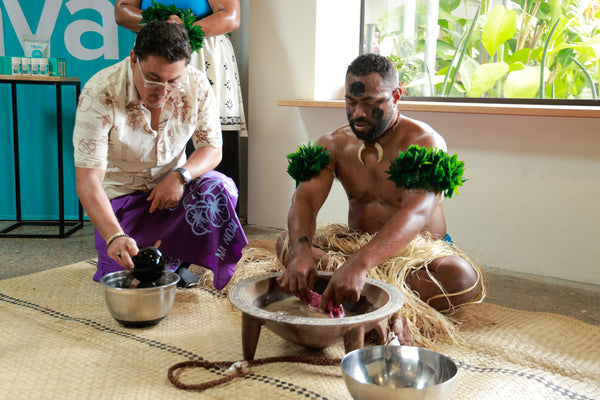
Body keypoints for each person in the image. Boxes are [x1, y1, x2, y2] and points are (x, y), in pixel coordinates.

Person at [276, 53, 486, 346]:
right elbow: (306, 200)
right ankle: (381, 304)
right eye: (351, 102)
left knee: (461, 278)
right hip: (356, 244)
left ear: (396, 95)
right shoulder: (333, 144)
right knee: (288, 242)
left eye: (372, 104)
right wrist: (300, 255)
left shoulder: (424, 142)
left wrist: (360, 266)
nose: (359, 113)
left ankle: (375, 300)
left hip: (416, 259)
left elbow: (415, 213)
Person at [73, 20, 247, 289]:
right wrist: (114, 236)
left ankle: (181, 262)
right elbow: (88, 181)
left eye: (173, 81)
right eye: (153, 79)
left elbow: (212, 149)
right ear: (134, 60)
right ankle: (158, 258)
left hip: (172, 194)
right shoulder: (100, 92)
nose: (162, 91)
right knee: (130, 279)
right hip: (122, 202)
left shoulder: (197, 84)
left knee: (220, 188)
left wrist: (180, 176)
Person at [114, 0, 247, 220]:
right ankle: (150, 219)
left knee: (210, 138)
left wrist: (180, 30)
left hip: (202, 54)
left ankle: (217, 223)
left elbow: (231, 16)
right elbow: (122, 11)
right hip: (154, 52)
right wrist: (161, 28)